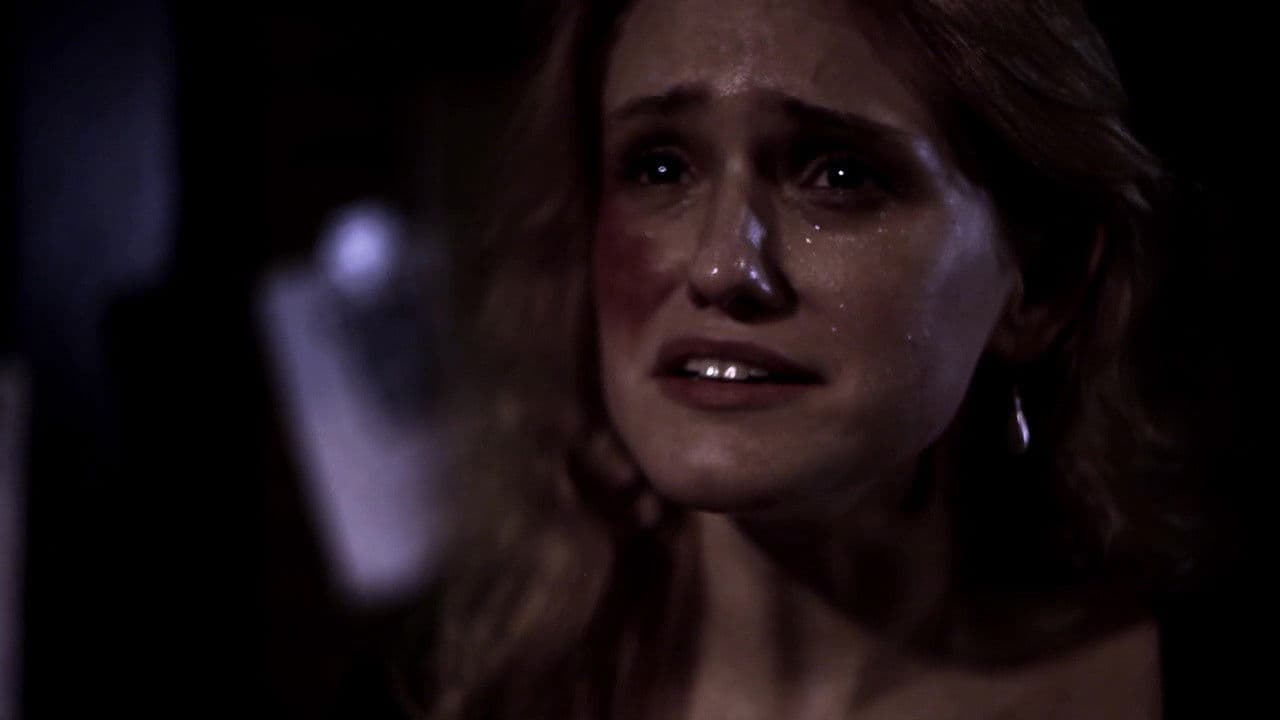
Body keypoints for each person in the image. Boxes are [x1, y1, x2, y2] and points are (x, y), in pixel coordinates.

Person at [404, 0, 1211, 717]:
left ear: (1042, 282)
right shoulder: (455, 689)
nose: (722, 267)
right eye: (660, 167)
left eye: (839, 175)